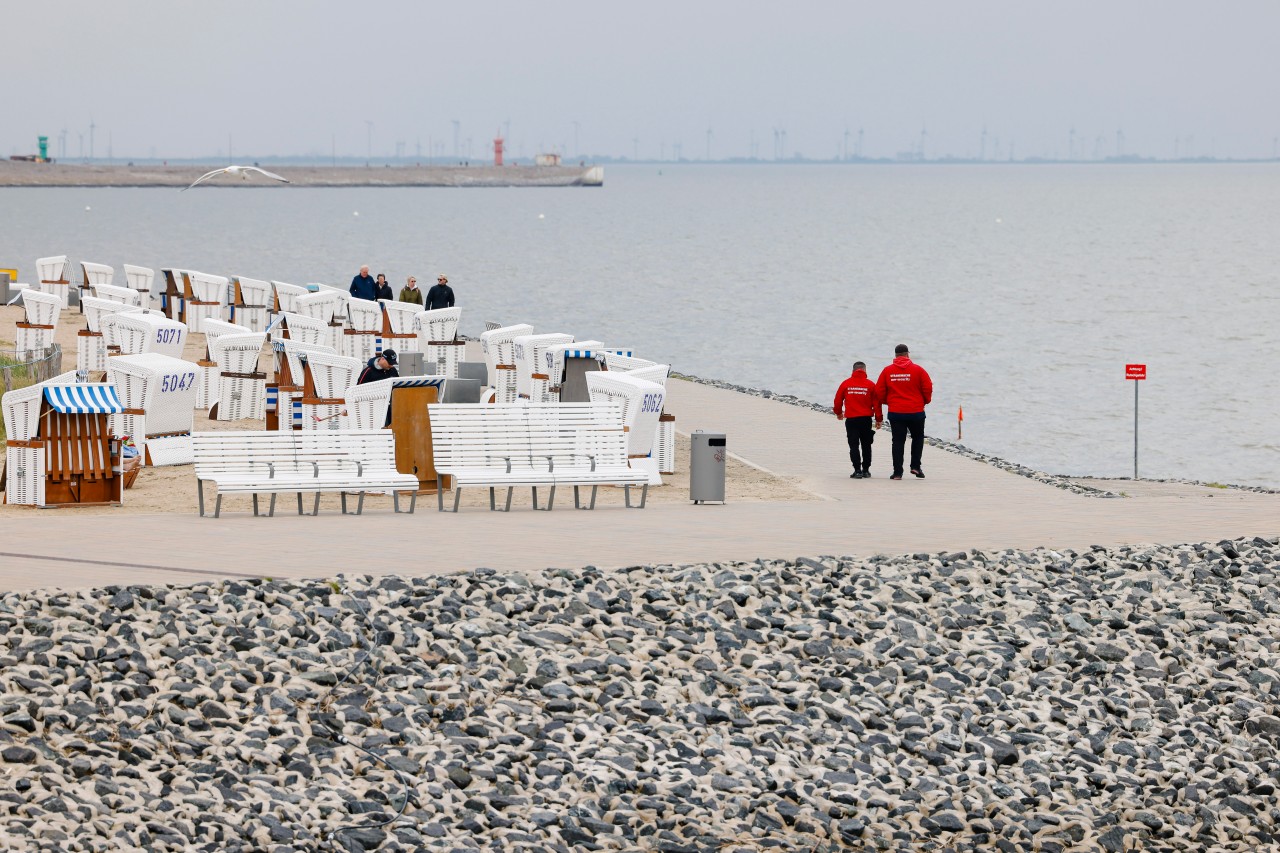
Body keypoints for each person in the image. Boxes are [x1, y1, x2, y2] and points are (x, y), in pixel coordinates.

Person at [875, 344, 933, 480]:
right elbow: (928, 387)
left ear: (895, 356)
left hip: (896, 412)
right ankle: (915, 467)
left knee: (898, 441)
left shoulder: (887, 371)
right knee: (918, 438)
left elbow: (879, 391)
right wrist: (925, 401)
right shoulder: (918, 370)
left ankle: (897, 472)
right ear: (908, 354)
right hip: (916, 411)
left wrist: (887, 401)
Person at [833, 361, 882, 478]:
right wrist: (878, 419)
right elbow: (877, 403)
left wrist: (838, 413)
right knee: (866, 445)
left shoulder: (845, 384)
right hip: (866, 419)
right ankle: (866, 469)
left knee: (853, 445)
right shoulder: (870, 385)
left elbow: (837, 400)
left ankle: (857, 470)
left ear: (853, 371)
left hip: (851, 420)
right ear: (865, 371)